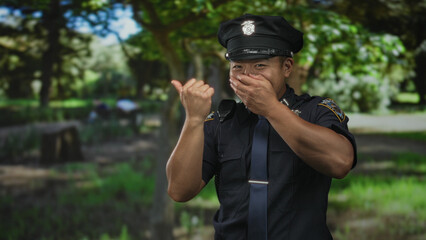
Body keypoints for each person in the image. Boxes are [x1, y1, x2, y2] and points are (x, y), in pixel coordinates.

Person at [167, 14, 357, 240]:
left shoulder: (316, 111)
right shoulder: (221, 121)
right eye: (237, 66)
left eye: (260, 65)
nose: (247, 76)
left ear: (287, 67)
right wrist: (194, 120)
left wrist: (271, 108)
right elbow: (180, 191)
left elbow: (341, 163)